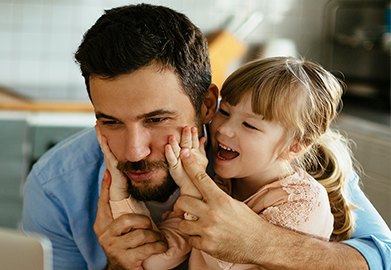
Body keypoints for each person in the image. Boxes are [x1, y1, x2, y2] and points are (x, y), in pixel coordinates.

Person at [21, 3, 391, 270]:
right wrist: (118, 265)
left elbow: (381, 258)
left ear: (208, 105)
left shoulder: (275, 160)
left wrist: (262, 243)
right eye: (111, 122)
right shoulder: (57, 184)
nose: (133, 150)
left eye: (157, 119)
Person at [97, 57, 351, 270]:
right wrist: (119, 193)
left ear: (295, 147)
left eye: (249, 125)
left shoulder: (304, 203)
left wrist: (192, 182)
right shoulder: (223, 185)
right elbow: (156, 260)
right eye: (225, 112)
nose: (224, 130)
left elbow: (226, 261)